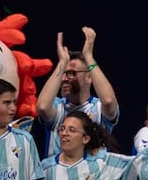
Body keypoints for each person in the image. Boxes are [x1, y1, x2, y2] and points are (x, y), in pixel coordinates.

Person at [35, 28, 120, 157]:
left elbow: (109, 101)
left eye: (71, 73)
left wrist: (89, 57)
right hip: (59, 175)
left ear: (89, 77)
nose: (63, 79)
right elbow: (42, 107)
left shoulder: (98, 108)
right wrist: (62, 63)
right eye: (63, 73)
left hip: (94, 175)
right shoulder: (58, 107)